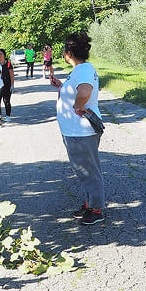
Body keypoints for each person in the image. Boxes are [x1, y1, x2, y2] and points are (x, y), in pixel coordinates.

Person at [49, 32, 105, 225]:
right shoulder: (80, 70)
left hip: (81, 131)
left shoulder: (83, 70)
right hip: (74, 131)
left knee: (89, 170)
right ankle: (90, 203)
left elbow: (84, 91)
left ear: (68, 53)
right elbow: (77, 89)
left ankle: (96, 209)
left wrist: (77, 106)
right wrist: (61, 85)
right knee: (83, 170)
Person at [0, 49, 15, 121]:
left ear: (4, 55)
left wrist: (12, 85)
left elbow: (11, 75)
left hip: (7, 85)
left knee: (6, 101)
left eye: (1, 54)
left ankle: (8, 116)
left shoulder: (8, 63)